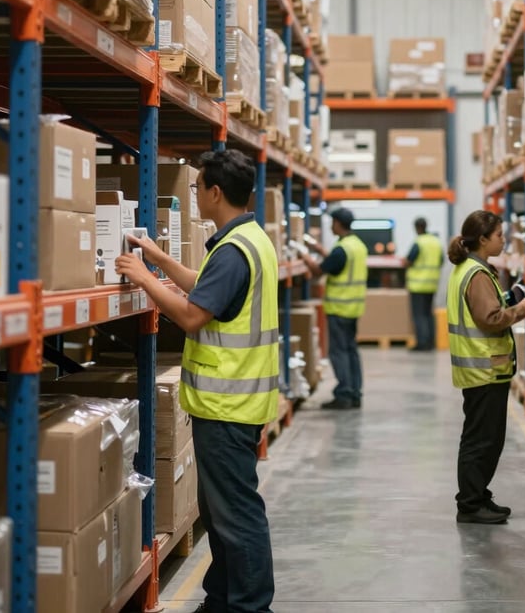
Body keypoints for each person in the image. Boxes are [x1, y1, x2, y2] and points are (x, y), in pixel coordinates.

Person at [115, 150, 278, 613]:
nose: (195, 195)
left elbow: (191, 315)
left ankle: (249, 605)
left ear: (215, 193)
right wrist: (159, 258)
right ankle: (224, 599)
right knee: (222, 513)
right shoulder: (247, 239)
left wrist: (145, 279)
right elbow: (202, 286)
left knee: (237, 517)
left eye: (197, 187)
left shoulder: (233, 252)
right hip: (236, 404)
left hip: (227, 407)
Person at [447, 210, 525, 524]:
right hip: (484, 370)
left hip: (480, 370)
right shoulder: (478, 273)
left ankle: (478, 495)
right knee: (481, 439)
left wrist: (509, 296)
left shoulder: (470, 268)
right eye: (499, 235)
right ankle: (470, 504)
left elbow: (487, 307)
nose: (503, 240)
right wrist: (522, 309)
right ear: (483, 239)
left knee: (486, 436)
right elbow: (490, 319)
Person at [302, 207, 368, 410]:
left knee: (339, 352)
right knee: (351, 351)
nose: (331, 225)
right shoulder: (356, 245)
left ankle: (344, 394)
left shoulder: (342, 250)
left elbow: (319, 270)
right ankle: (355, 392)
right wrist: (320, 250)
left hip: (340, 308)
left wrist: (305, 257)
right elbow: (336, 261)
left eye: (332, 222)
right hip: (353, 308)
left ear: (339, 223)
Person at [405, 217, 444, 351]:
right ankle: (431, 342)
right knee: (428, 314)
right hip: (432, 284)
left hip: (418, 285)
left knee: (419, 315)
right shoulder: (436, 242)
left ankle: (421, 343)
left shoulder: (419, 242)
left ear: (417, 228)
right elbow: (441, 261)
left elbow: (409, 260)